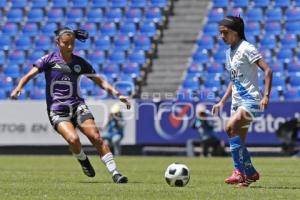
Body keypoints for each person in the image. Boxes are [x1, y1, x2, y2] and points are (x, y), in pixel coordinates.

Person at [10, 27, 131, 183]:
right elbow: (29, 75)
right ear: (57, 42)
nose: (69, 47)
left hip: (78, 106)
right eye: (66, 43)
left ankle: (115, 173)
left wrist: (118, 94)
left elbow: (99, 80)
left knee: (96, 138)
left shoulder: (79, 62)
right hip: (57, 110)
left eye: (72, 43)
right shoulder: (48, 60)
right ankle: (83, 159)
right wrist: (18, 88)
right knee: (73, 140)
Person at [212, 16, 273, 188]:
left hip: (251, 100)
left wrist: (266, 95)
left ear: (236, 32)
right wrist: (222, 101)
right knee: (239, 141)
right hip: (236, 102)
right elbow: (234, 80)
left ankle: (238, 172)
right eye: (220, 33)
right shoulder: (228, 53)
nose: (222, 36)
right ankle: (249, 174)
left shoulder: (247, 48)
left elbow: (268, 70)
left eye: (225, 32)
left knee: (229, 127)